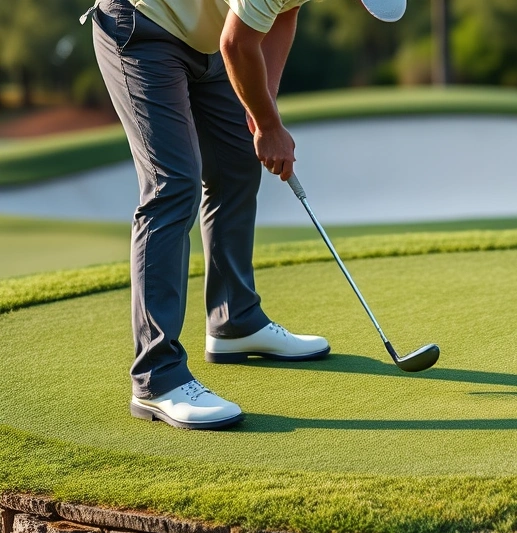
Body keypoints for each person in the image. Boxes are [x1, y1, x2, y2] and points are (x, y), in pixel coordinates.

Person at [83, 0, 401, 430]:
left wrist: (263, 105)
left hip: (207, 40)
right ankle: (157, 377)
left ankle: (234, 321)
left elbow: (285, 15)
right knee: (171, 185)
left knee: (236, 162)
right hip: (143, 25)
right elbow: (237, 43)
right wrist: (270, 126)